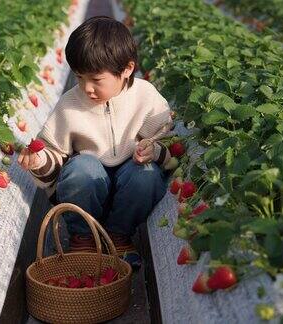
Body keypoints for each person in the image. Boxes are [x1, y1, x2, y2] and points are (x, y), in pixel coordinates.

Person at [18, 16, 174, 269]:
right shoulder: (70, 104)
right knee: (83, 168)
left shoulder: (146, 97)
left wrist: (153, 150)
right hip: (86, 193)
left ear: (126, 69)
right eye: (79, 78)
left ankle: (119, 236)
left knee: (146, 174)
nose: (87, 88)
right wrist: (38, 160)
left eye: (96, 80)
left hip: (128, 188)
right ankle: (83, 237)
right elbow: (54, 151)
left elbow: (168, 139)